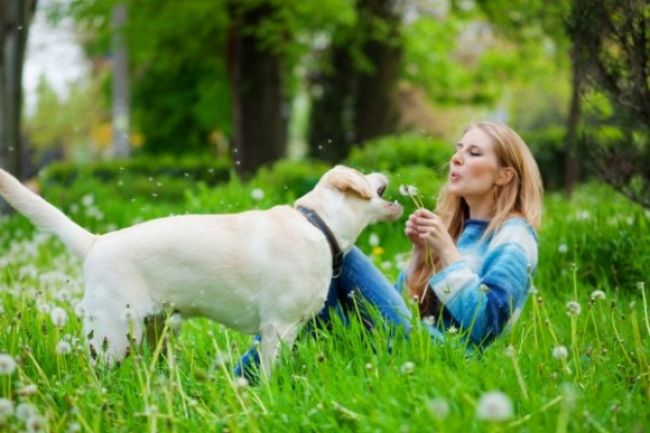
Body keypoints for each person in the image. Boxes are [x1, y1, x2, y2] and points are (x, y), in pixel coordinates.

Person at [235, 121, 542, 378]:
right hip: (408, 348)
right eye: (457, 149)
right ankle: (276, 367)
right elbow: (403, 313)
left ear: (504, 175)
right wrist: (419, 257)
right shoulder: (457, 229)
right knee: (321, 270)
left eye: (474, 153)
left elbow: (486, 326)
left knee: (328, 248)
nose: (457, 158)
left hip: (444, 360)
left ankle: (245, 376)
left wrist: (447, 253)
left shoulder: (514, 236)